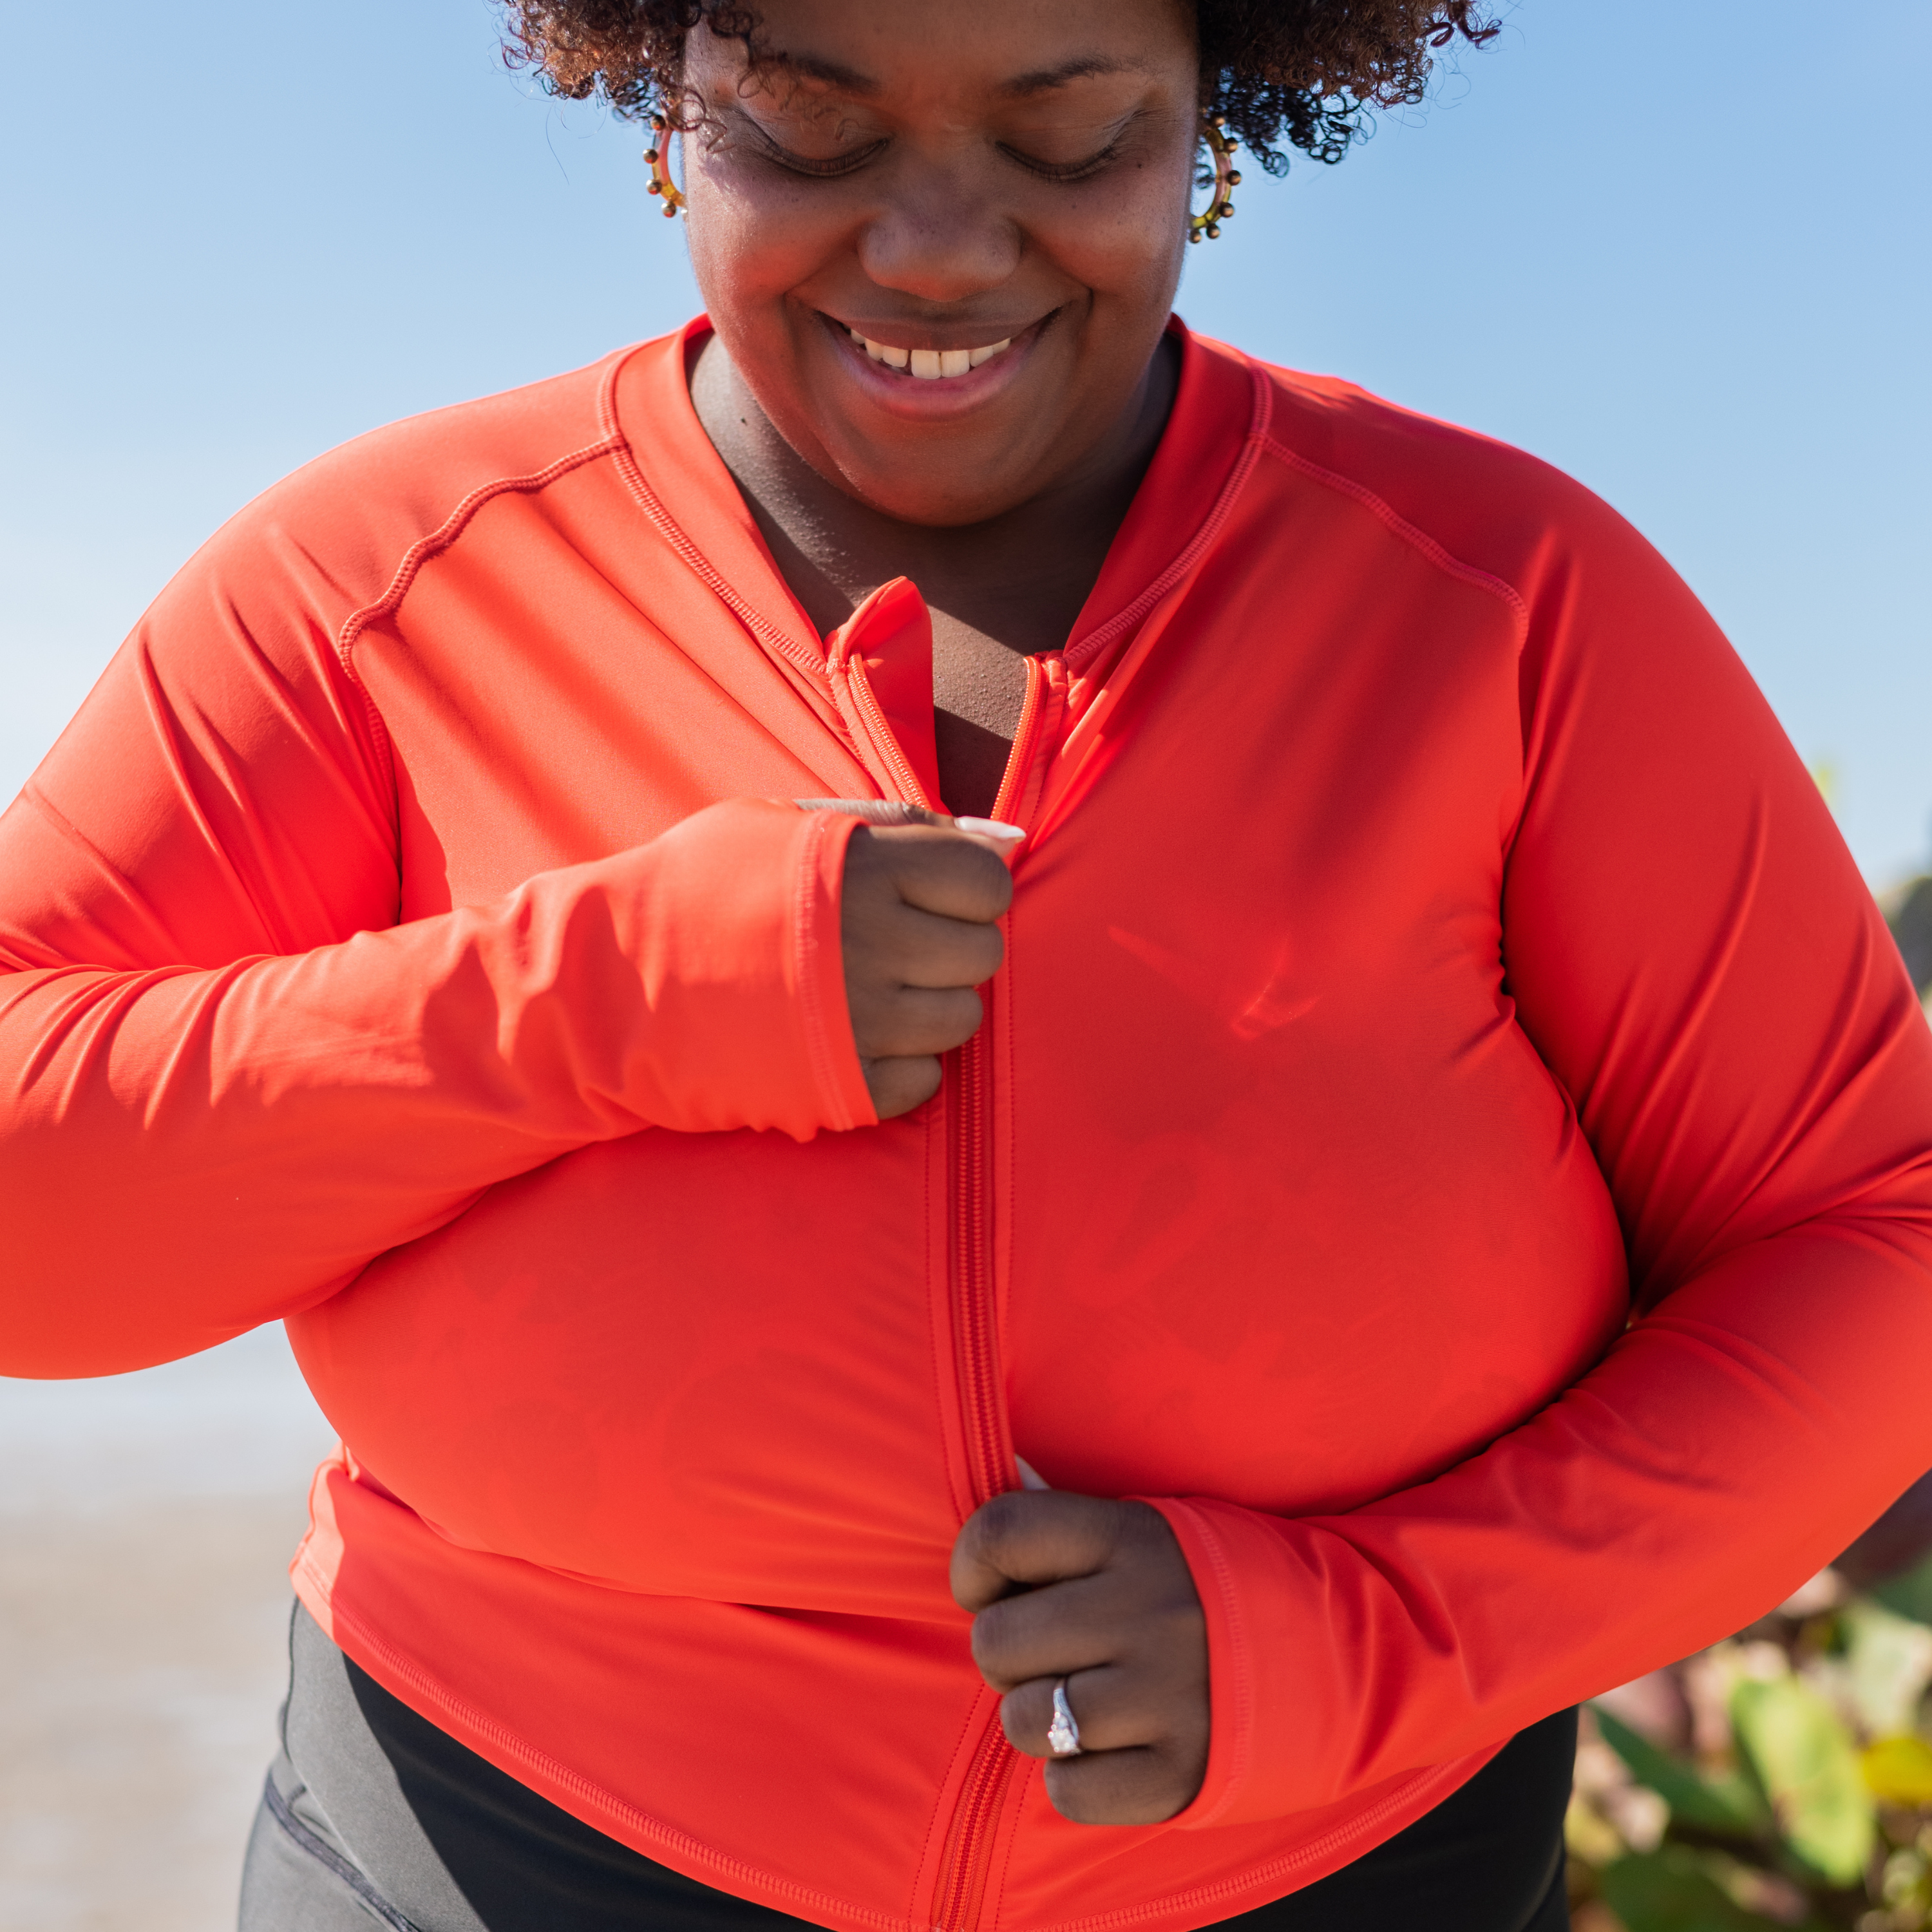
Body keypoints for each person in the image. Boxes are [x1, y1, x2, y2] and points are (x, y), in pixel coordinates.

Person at [3, 2, 1930, 1927]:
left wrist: (1369, 1639)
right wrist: (592, 1007)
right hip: (486, 1845)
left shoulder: (1506, 603)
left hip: (1343, 1864)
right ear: (670, 119)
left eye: (1072, 143)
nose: (935, 249)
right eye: (805, 131)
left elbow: (1875, 1235)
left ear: (1211, 130)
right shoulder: (379, 588)